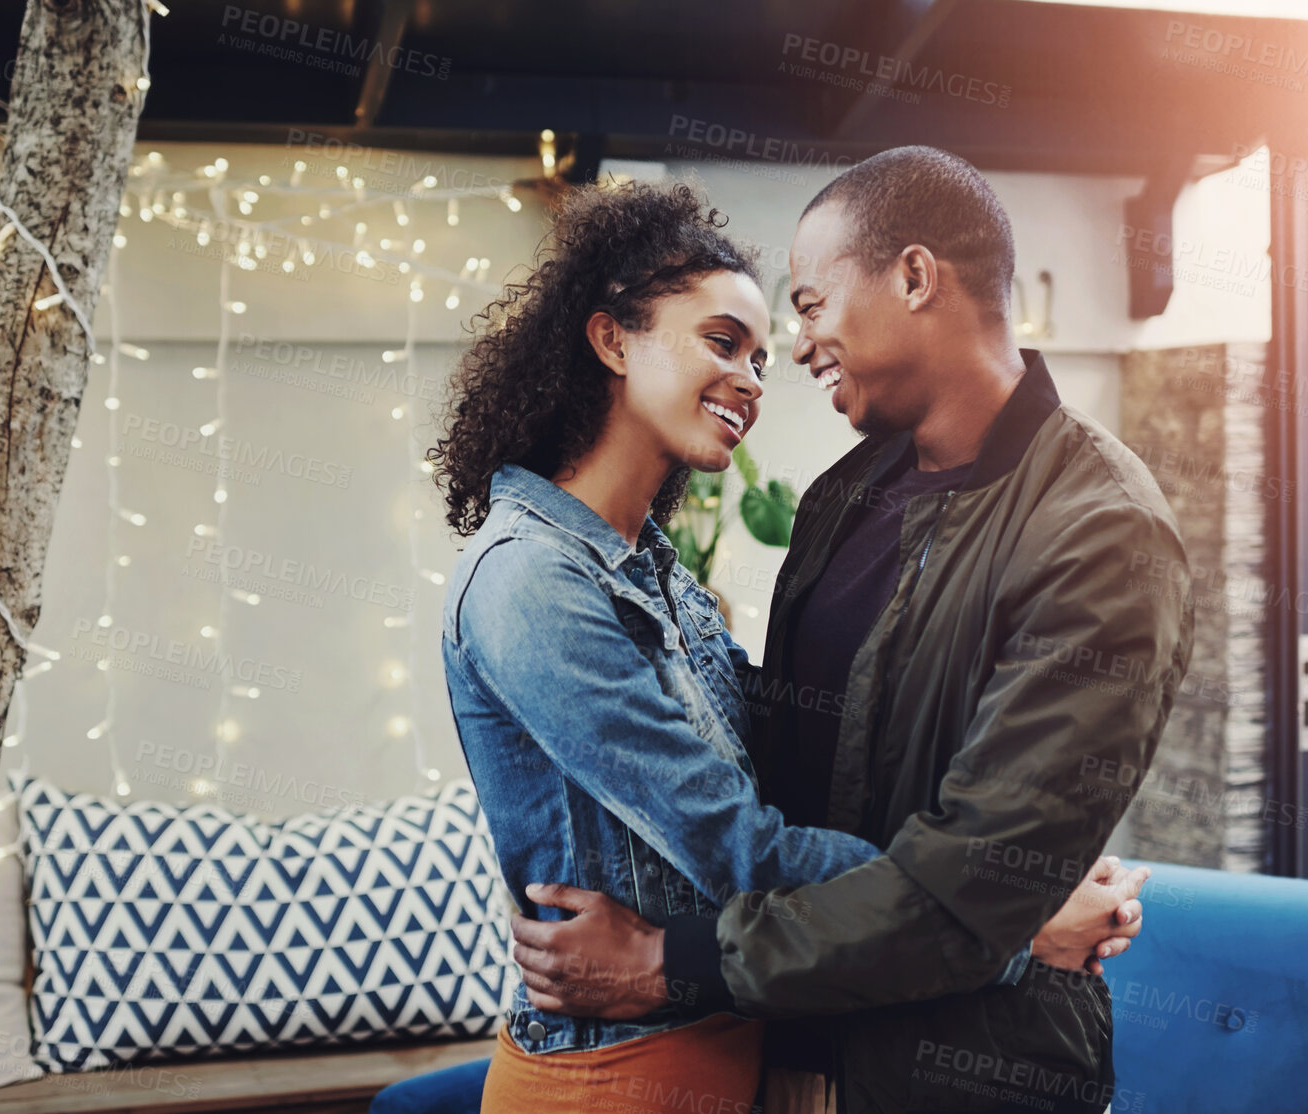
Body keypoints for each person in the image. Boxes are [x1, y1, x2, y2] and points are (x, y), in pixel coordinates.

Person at [370, 177, 1152, 1114]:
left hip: (808, 1054)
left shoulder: (647, 564)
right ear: (612, 339)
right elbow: (743, 838)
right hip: (633, 1071)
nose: (759, 373)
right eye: (723, 342)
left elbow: (777, 749)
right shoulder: (537, 577)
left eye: (772, 343)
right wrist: (1012, 920)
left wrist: (1001, 900)